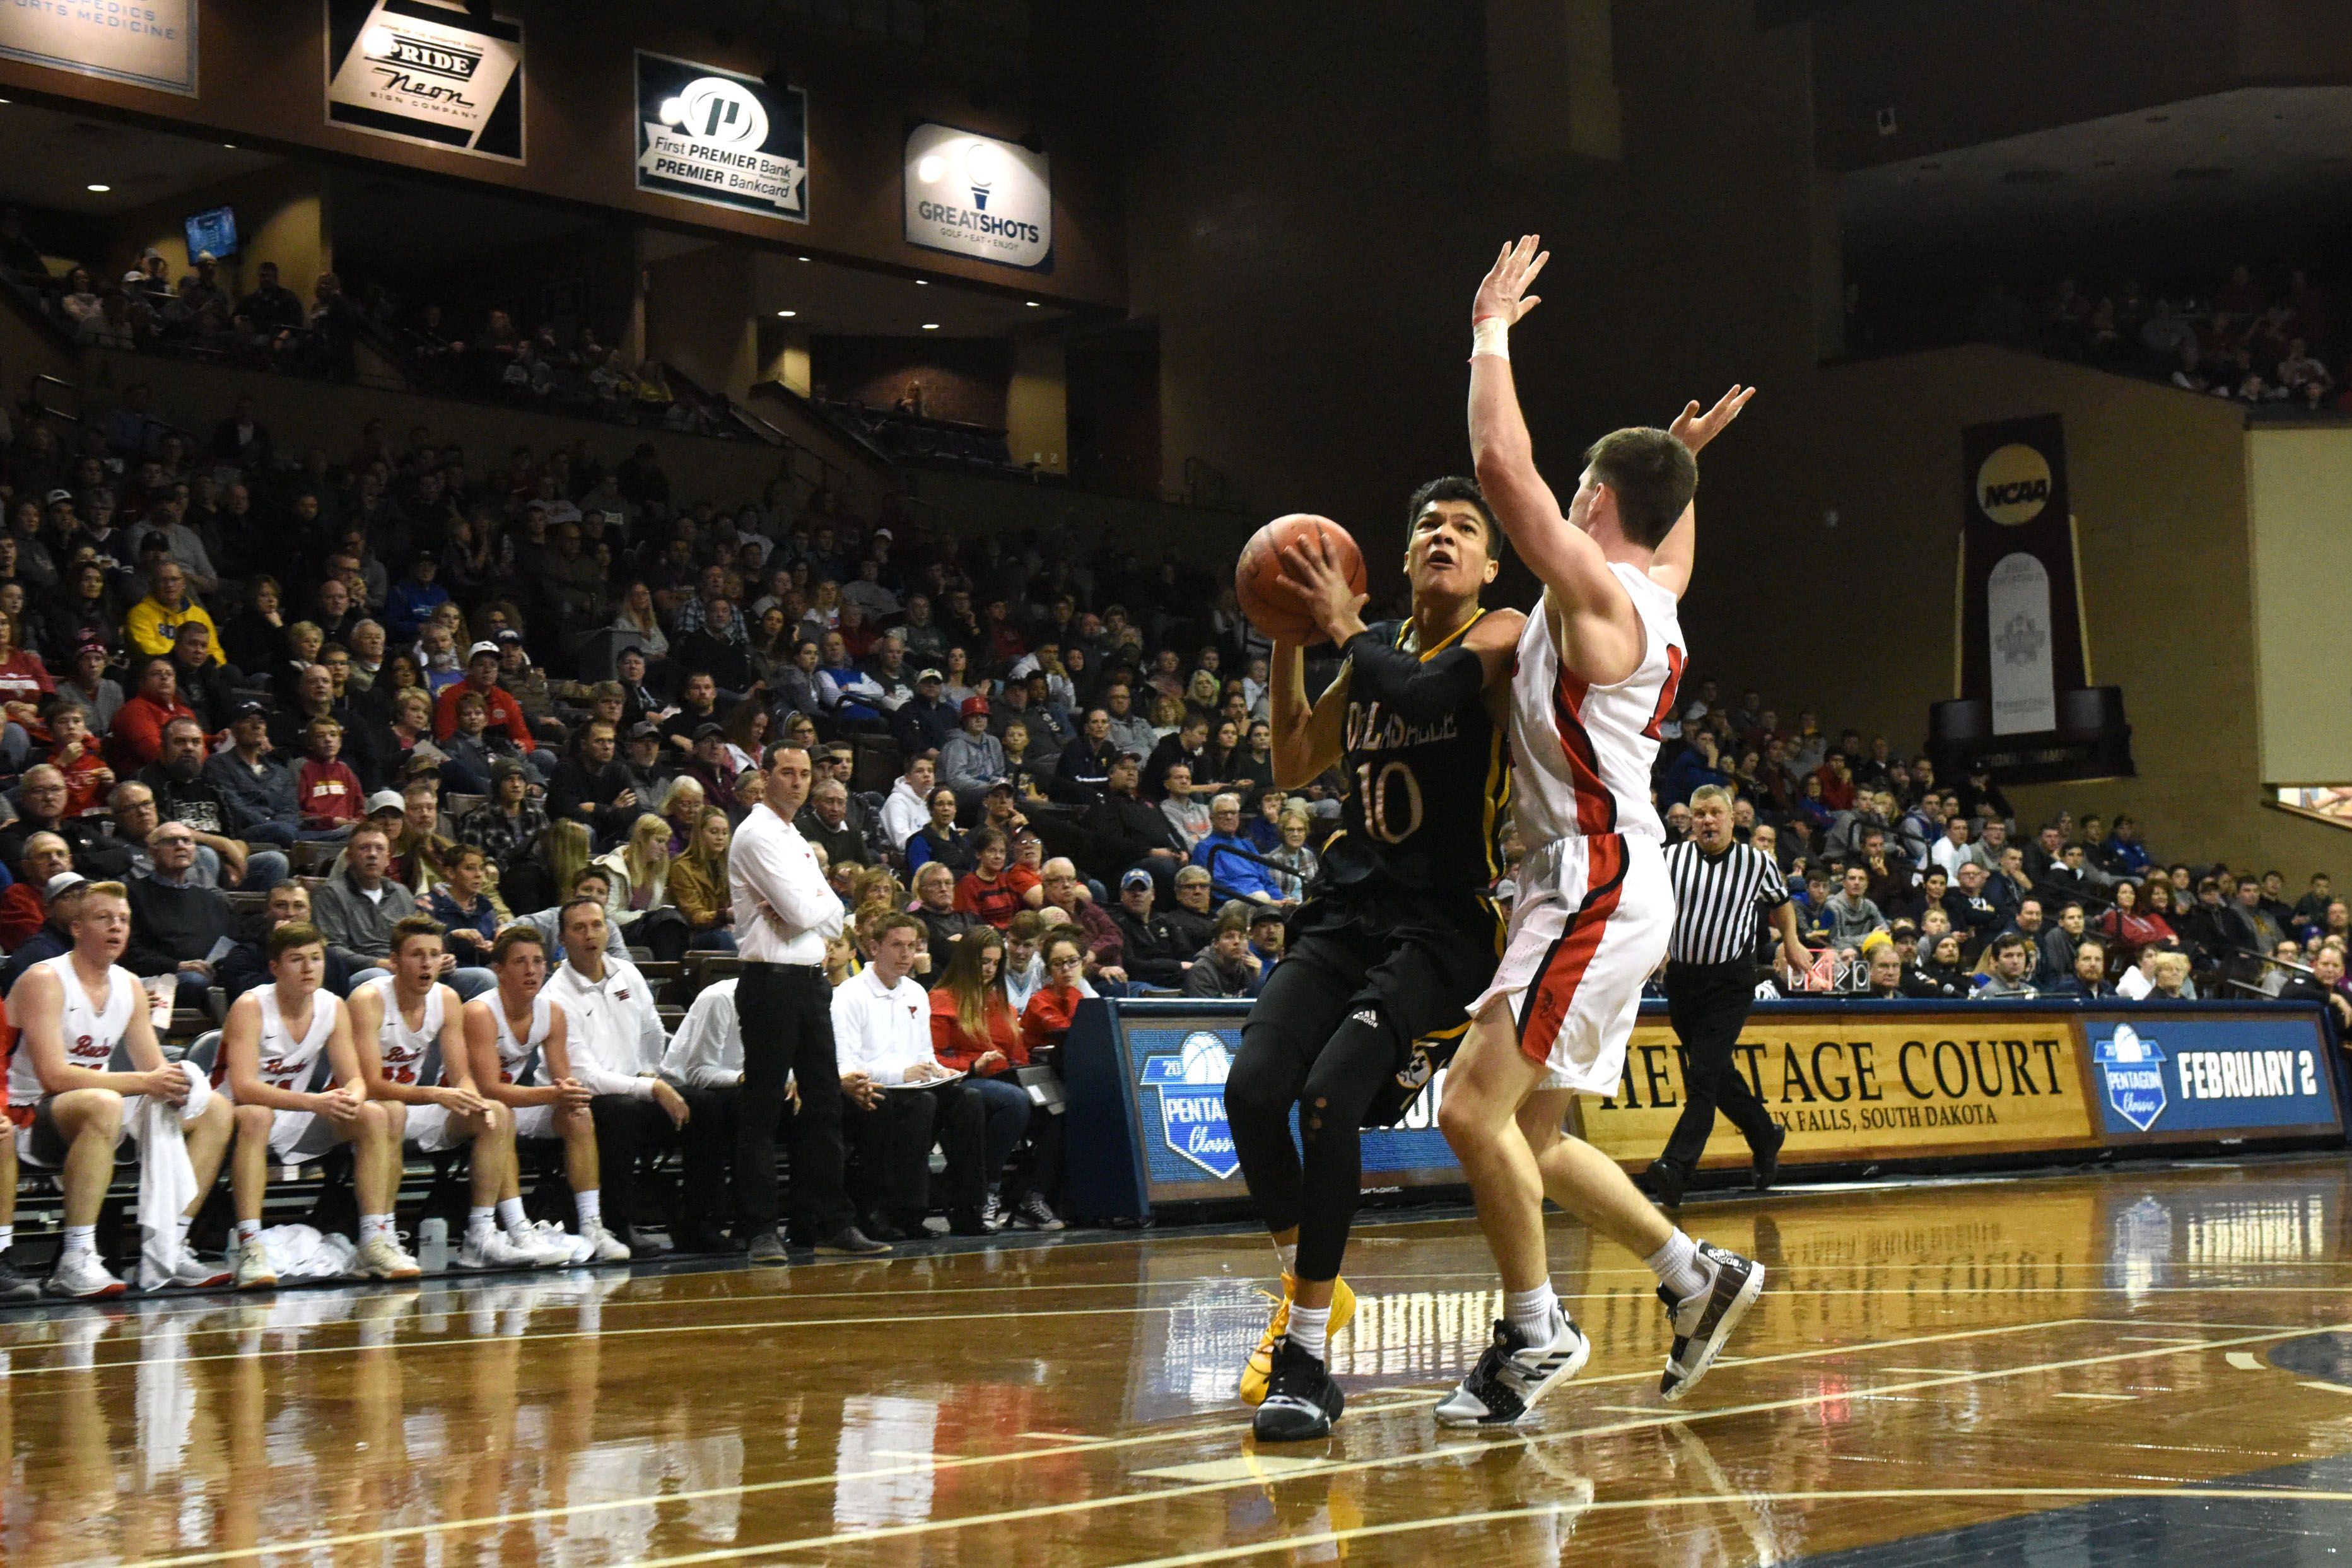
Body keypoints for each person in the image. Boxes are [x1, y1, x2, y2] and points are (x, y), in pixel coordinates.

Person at [1432, 236, 1761, 1431]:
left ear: (1598, 503)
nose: (1561, 501)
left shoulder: (1597, 593)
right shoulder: (1659, 588)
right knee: (1527, 1131)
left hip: (1590, 874)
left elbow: (1494, 462)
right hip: (1600, 880)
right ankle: (1694, 1275)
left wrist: (1489, 330)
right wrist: (1682, 463)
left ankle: (1535, 1333)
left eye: (1583, 492)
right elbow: (1666, 525)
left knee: (1468, 1111)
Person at [5, 881, 233, 1296]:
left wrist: (181, 1082)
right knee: (104, 1104)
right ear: (76, 927)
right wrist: (147, 1082)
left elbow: (154, 1068)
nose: (116, 927)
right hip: (27, 1113)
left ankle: (171, 1245)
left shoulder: (129, 985)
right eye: (103, 918)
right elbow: (54, 1077)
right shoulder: (46, 979)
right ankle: (76, 1258)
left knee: (215, 1109)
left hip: (94, 1108)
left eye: (124, 920)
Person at [729, 742, 888, 1260]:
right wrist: (809, 904)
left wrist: (810, 904)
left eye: (804, 774)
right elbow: (804, 909)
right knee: (763, 1106)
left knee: (823, 1106)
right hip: (769, 981)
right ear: (766, 777)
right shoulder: (755, 833)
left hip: (810, 979)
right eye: (787, 773)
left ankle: (827, 1222)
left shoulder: (792, 835)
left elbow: (827, 912)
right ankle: (758, 1230)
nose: (797, 782)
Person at [346, 917, 566, 1269]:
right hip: (366, 1109)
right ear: (395, 961)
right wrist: (436, 1094)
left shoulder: (447, 999)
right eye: (417, 954)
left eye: (434, 955)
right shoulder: (368, 999)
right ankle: (378, 1238)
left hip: (412, 1103)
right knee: (390, 1111)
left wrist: (472, 1099)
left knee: (496, 1113)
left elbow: (462, 1075)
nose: (427, 963)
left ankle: (480, 1236)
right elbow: (370, 1084)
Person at [219, 920, 422, 1287]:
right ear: (275, 968)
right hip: (234, 1117)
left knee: (376, 1114)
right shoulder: (250, 1007)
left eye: (316, 958)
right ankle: (250, 1245)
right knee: (257, 1115)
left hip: (296, 1111)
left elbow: (356, 1078)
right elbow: (244, 1088)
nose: (309, 967)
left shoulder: (332, 1006)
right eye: (297, 960)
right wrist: (315, 1102)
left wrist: (352, 1098)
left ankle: (374, 1239)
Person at [1639, 785, 1811, 1205]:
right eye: (1699, 814)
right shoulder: (1671, 858)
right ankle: (1764, 1135)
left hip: (1730, 981)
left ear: (1733, 820)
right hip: (1682, 978)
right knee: (1715, 1073)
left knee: (1701, 1076)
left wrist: (1790, 943)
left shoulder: (1756, 862)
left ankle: (1676, 1167)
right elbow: (1651, 905)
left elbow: (1781, 903)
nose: (1706, 821)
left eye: (1715, 813)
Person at [461, 924, 628, 1263]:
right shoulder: (480, 1012)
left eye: (538, 962)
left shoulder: (551, 1012)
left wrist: (566, 1092)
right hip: (472, 1106)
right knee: (500, 1115)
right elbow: (489, 1089)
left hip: (512, 1101)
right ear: (499, 971)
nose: (531, 970)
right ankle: (518, 1229)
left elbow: (561, 1079)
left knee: (578, 1114)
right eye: (520, 962)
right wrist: (554, 1094)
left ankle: (591, 1224)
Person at [833, 911, 990, 1239]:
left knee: (969, 1099)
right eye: (897, 945)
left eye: (912, 946)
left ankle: (967, 1209)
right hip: (871, 1090)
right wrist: (902, 1072)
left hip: (914, 1086)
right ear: (873, 947)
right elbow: (845, 1066)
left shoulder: (917, 992)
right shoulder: (849, 995)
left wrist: (940, 1069)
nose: (906, 954)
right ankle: (899, 1212)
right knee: (920, 1104)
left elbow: (924, 1055)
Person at [547, 898, 691, 1253]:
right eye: (579, 928)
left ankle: (699, 1223)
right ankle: (617, 1224)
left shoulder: (627, 974)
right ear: (563, 939)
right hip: (585, 1099)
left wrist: (651, 1071)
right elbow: (584, 1076)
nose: (590, 935)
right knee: (620, 1110)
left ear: (608, 931)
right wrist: (651, 1086)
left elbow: (652, 1030)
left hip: (635, 1085)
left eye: (596, 925)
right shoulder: (556, 995)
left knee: (705, 1104)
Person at [928, 927, 1062, 1230]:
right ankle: (986, 1190)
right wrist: (974, 1064)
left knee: (1059, 1108)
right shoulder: (942, 999)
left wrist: (1022, 1067)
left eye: (994, 963)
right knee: (1013, 1101)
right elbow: (933, 1058)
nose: (988, 969)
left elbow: (1018, 1055)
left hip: (1004, 1077)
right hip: (963, 1082)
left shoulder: (1001, 1002)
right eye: (983, 962)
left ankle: (1033, 1195)